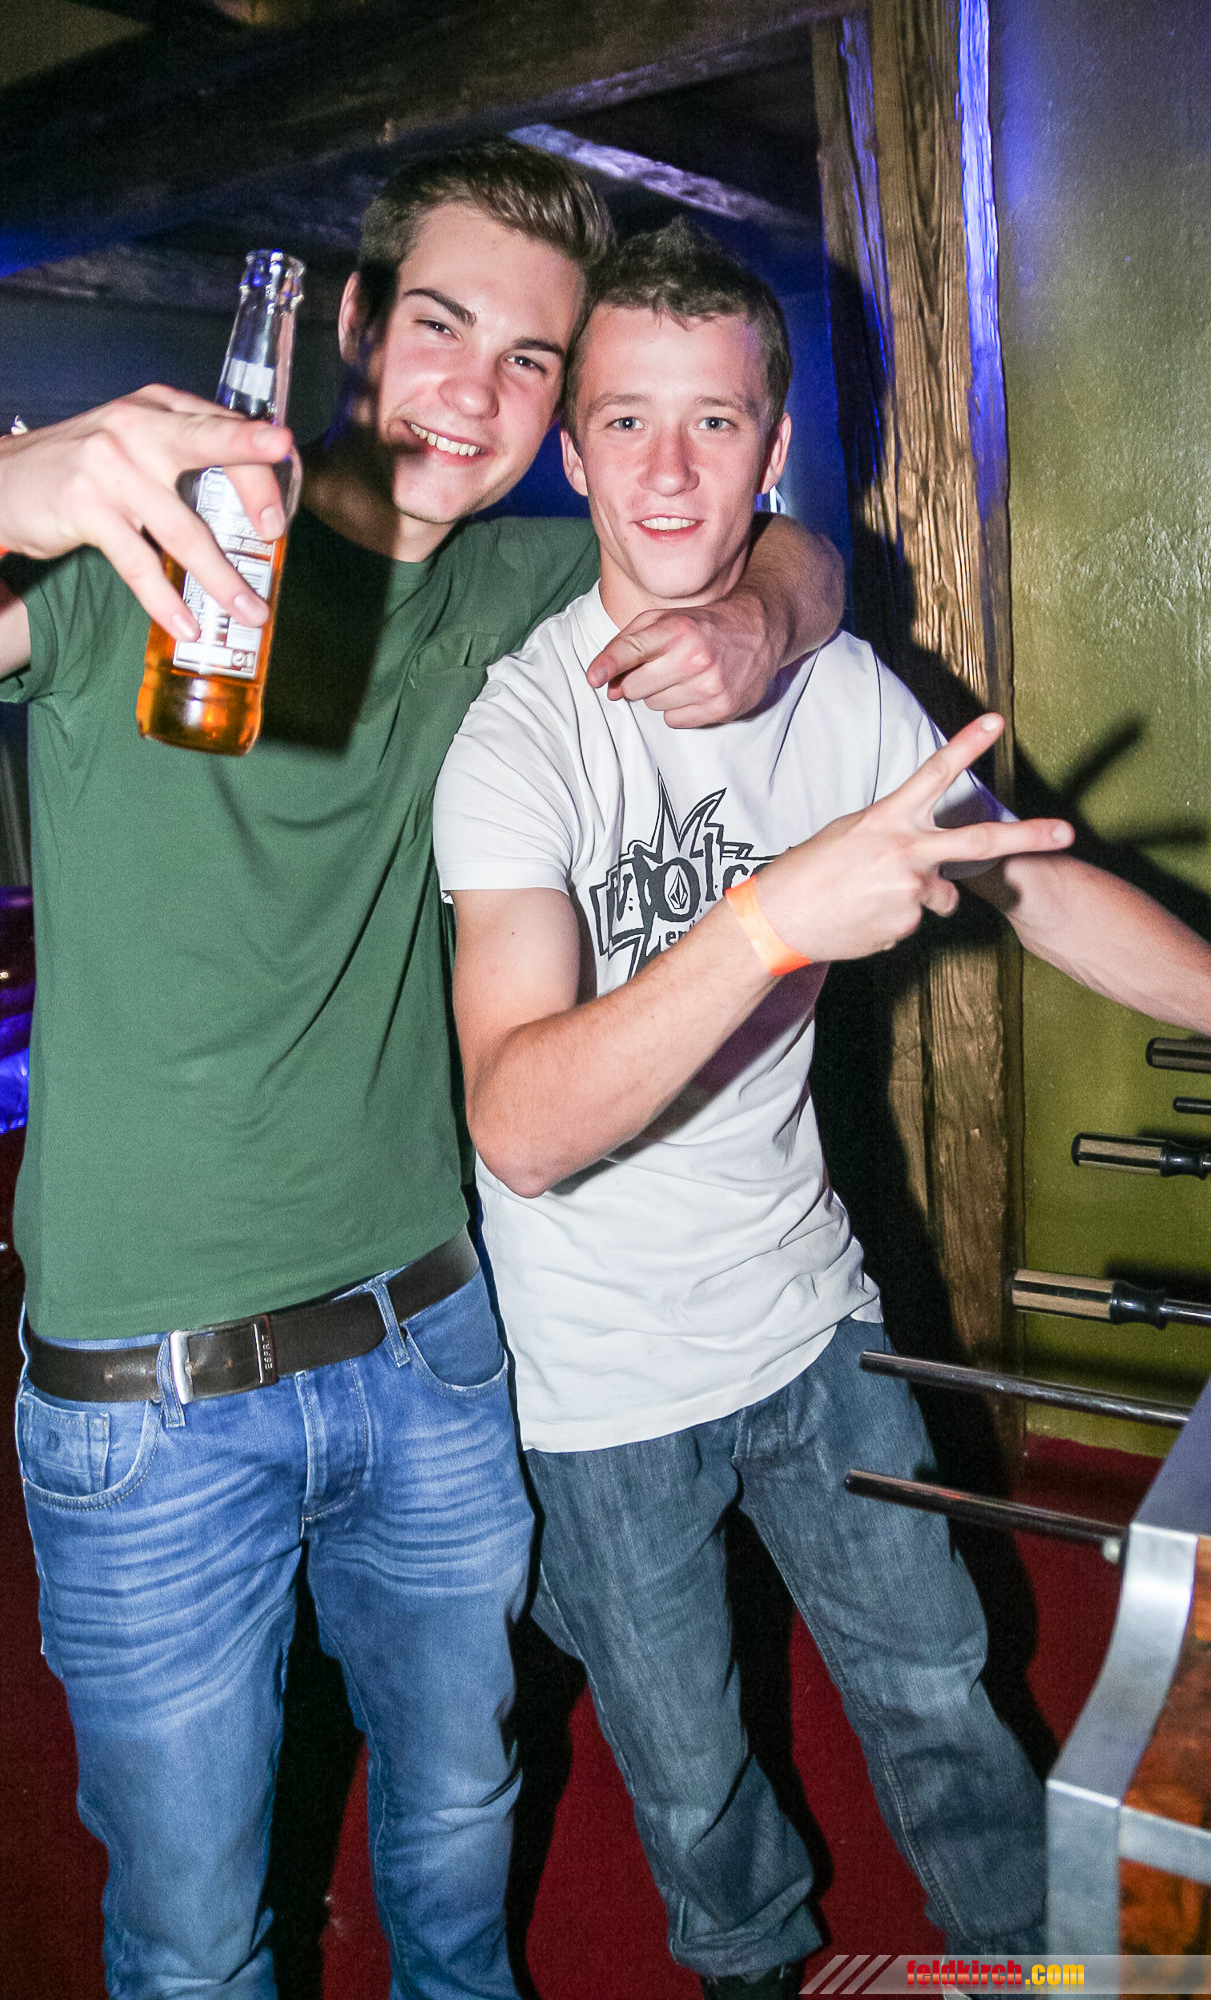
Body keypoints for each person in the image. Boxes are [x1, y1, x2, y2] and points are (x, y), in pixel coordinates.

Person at [0, 150, 846, 2000]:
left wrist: (760, 616)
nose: (474, 394)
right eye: (440, 328)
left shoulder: (509, 588)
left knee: (464, 1827)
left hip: (433, 1348)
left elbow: (788, 542)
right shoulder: (136, 558)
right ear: (351, 328)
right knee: (192, 1937)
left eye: (530, 362)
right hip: (149, 1399)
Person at [432, 221, 1211, 1997]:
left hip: (807, 1310)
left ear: (773, 450)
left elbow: (1039, 889)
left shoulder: (832, 684)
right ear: (573, 458)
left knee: (937, 1682)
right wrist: (771, 919)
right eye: (625, 423)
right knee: (691, 1775)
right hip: (599, 1378)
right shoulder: (519, 739)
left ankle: (1030, 1963)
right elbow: (522, 1125)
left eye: (713, 422)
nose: (668, 471)